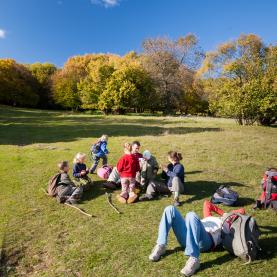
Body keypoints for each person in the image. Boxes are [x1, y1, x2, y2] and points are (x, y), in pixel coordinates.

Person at [149, 200, 245, 276]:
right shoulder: (208, 217)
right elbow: (207, 204)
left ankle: (194, 259)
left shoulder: (227, 223)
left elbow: (242, 211)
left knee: (191, 215)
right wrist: (223, 213)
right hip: (188, 237)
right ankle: (161, 245)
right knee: (170, 209)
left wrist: (228, 215)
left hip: (206, 241)